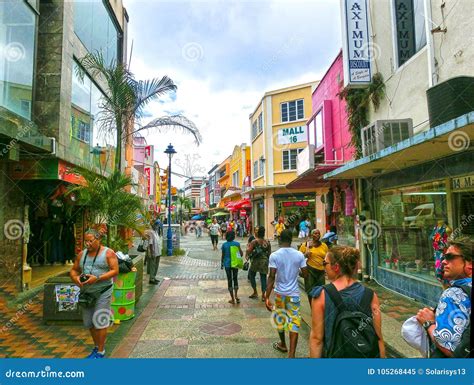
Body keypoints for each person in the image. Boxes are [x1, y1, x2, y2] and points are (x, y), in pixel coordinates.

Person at [309, 246, 385, 358]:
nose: (323, 267)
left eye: (325, 263)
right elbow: (378, 337)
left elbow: (317, 339)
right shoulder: (370, 295)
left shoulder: (321, 296)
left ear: (335, 267)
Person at [415, 237, 472, 358]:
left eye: (450, 257)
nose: (444, 262)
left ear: (470, 264)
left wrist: (428, 323)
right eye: (444, 257)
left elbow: (450, 349)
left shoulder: (453, 295)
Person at [70, 229, 119, 359]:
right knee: (89, 322)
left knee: (100, 320)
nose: (88, 244)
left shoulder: (108, 253)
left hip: (103, 291)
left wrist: (97, 278)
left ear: (98, 240)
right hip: (87, 292)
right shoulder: (81, 255)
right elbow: (74, 270)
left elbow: (115, 271)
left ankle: (101, 352)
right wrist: (76, 279)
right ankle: (96, 347)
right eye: (86, 241)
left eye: (91, 241)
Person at [265, 229, 308, 358]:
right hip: (294, 294)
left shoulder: (275, 255)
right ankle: (291, 354)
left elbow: (272, 276)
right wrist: (296, 270)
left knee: (280, 320)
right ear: (291, 240)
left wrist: (266, 296)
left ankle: (283, 344)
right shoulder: (299, 255)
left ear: (279, 239)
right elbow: (305, 275)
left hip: (279, 294)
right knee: (294, 323)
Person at [299, 229, 328, 305]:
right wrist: (305, 255)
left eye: (318, 233)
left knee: (321, 291)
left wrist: (326, 265)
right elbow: (298, 257)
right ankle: (313, 308)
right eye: (315, 233)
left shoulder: (324, 246)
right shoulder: (305, 245)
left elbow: (327, 257)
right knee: (310, 291)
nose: (317, 235)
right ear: (311, 235)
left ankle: (319, 307)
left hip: (321, 272)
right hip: (310, 271)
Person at [246, 226, 271, 301]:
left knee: (251, 275)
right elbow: (269, 253)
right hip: (264, 261)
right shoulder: (267, 242)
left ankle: (255, 292)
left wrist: (247, 248)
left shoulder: (254, 241)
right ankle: (264, 295)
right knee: (263, 278)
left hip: (256, 261)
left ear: (257, 233)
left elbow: (249, 251)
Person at [221, 230, 244, 304]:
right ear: (233, 236)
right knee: (235, 279)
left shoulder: (224, 245)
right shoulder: (237, 244)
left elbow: (223, 255)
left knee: (229, 280)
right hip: (235, 264)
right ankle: (236, 295)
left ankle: (232, 299)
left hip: (227, 265)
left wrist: (222, 263)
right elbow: (241, 254)